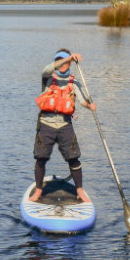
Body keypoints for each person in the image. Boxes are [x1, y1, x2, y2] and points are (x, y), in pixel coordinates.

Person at [31, 49, 96, 203]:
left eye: (66, 61)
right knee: (41, 158)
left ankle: (79, 190)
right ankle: (39, 190)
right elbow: (47, 68)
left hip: (65, 126)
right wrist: (69, 57)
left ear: (71, 64)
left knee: (74, 159)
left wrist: (89, 105)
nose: (63, 64)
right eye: (60, 60)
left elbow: (81, 100)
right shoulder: (47, 78)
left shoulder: (74, 83)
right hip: (46, 125)